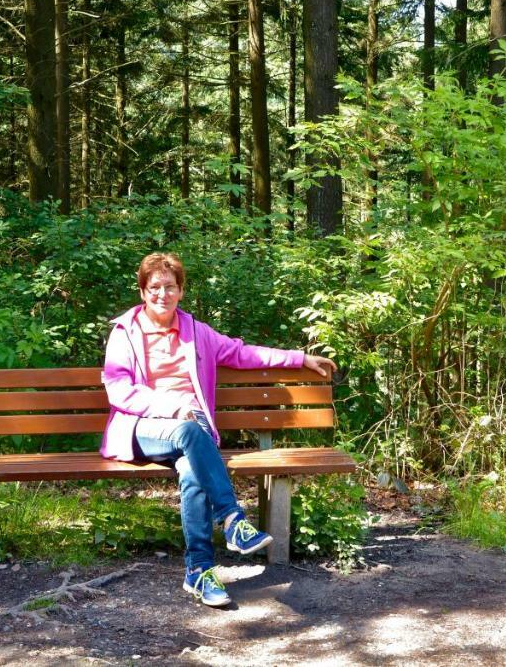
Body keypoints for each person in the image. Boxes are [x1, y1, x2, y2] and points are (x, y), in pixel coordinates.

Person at [100, 252, 337, 607]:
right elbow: (119, 390)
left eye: (169, 287)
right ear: (142, 292)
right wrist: (173, 407)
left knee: (192, 471)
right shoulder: (125, 333)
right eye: (154, 288)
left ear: (180, 291)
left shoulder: (196, 332)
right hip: (141, 429)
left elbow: (244, 354)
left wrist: (299, 358)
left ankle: (200, 571)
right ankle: (231, 518)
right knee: (188, 431)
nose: (161, 294)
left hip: (189, 436)